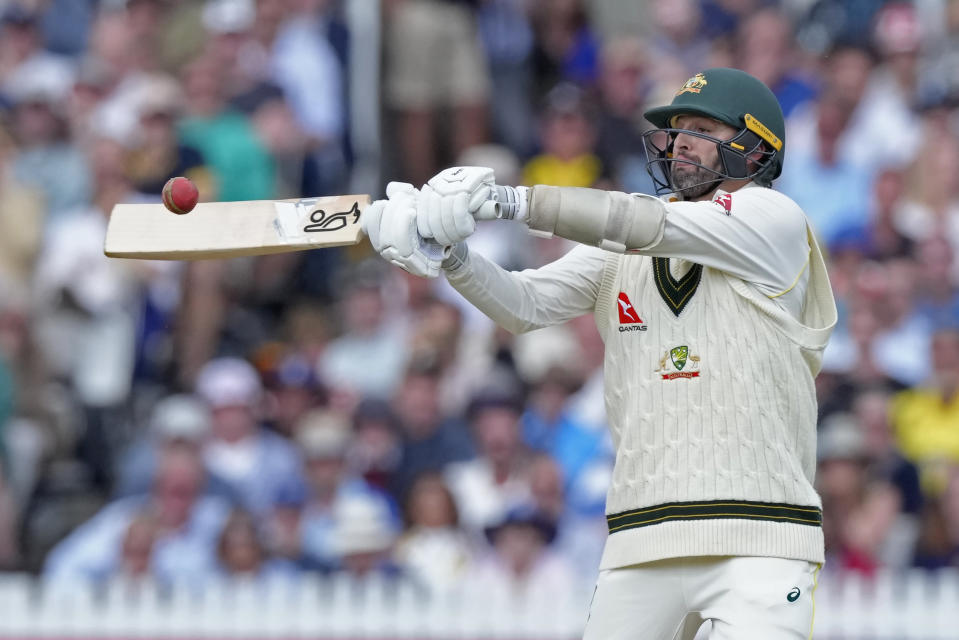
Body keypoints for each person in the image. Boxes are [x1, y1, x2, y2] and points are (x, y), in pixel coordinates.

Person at [364, 68, 838, 639]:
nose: (681, 140)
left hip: (763, 534)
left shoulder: (774, 221)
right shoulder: (624, 251)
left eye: (702, 127)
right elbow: (524, 304)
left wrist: (510, 201)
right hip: (643, 536)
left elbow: (646, 220)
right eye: (677, 129)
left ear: (756, 147)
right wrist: (449, 255)